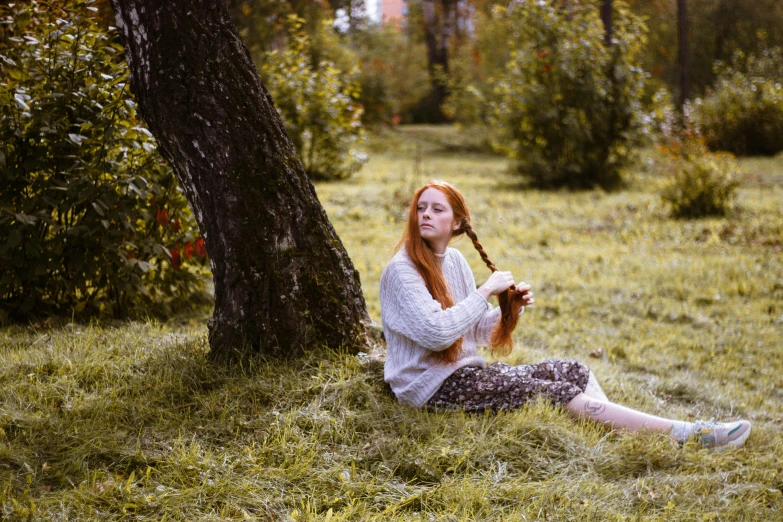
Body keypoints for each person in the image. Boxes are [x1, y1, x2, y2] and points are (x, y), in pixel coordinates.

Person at [379, 180, 751, 450]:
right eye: (421, 207)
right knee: (556, 392)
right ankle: (684, 434)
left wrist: (509, 311)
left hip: (465, 375)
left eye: (436, 208)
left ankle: (619, 439)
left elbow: (474, 331)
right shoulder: (402, 270)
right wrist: (484, 291)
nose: (425, 214)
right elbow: (435, 334)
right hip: (430, 389)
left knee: (574, 370)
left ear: (457, 223)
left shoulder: (454, 261)